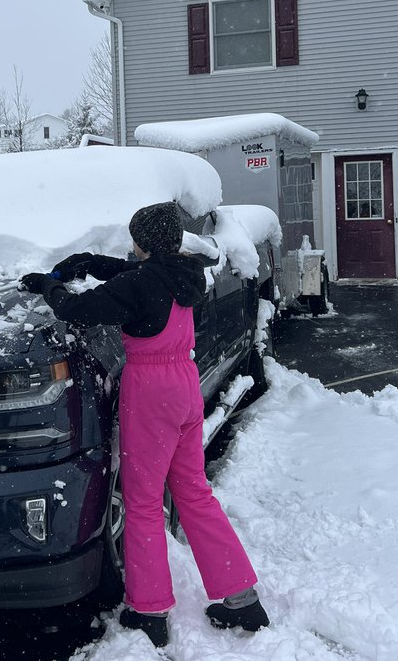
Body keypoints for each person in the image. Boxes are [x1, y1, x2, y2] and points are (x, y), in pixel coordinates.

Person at [20, 201, 269, 649]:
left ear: (142, 242)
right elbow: (136, 278)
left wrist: (47, 288)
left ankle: (149, 610)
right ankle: (242, 599)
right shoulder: (185, 272)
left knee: (142, 502)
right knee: (193, 491)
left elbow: (79, 309)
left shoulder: (141, 283)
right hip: (185, 387)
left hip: (151, 392)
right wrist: (92, 262)